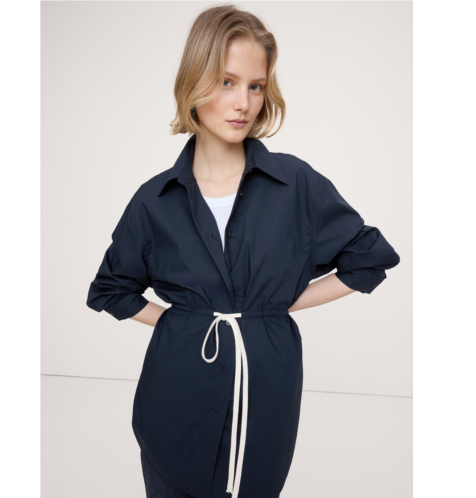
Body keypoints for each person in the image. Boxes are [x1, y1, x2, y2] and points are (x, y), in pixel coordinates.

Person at [86, 5, 400, 498]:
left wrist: (273, 306)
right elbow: (110, 289)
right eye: (227, 82)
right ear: (194, 82)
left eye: (256, 86)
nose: (243, 103)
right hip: (174, 400)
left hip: (265, 401)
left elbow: (370, 258)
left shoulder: (295, 184)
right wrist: (186, 322)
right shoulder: (154, 200)